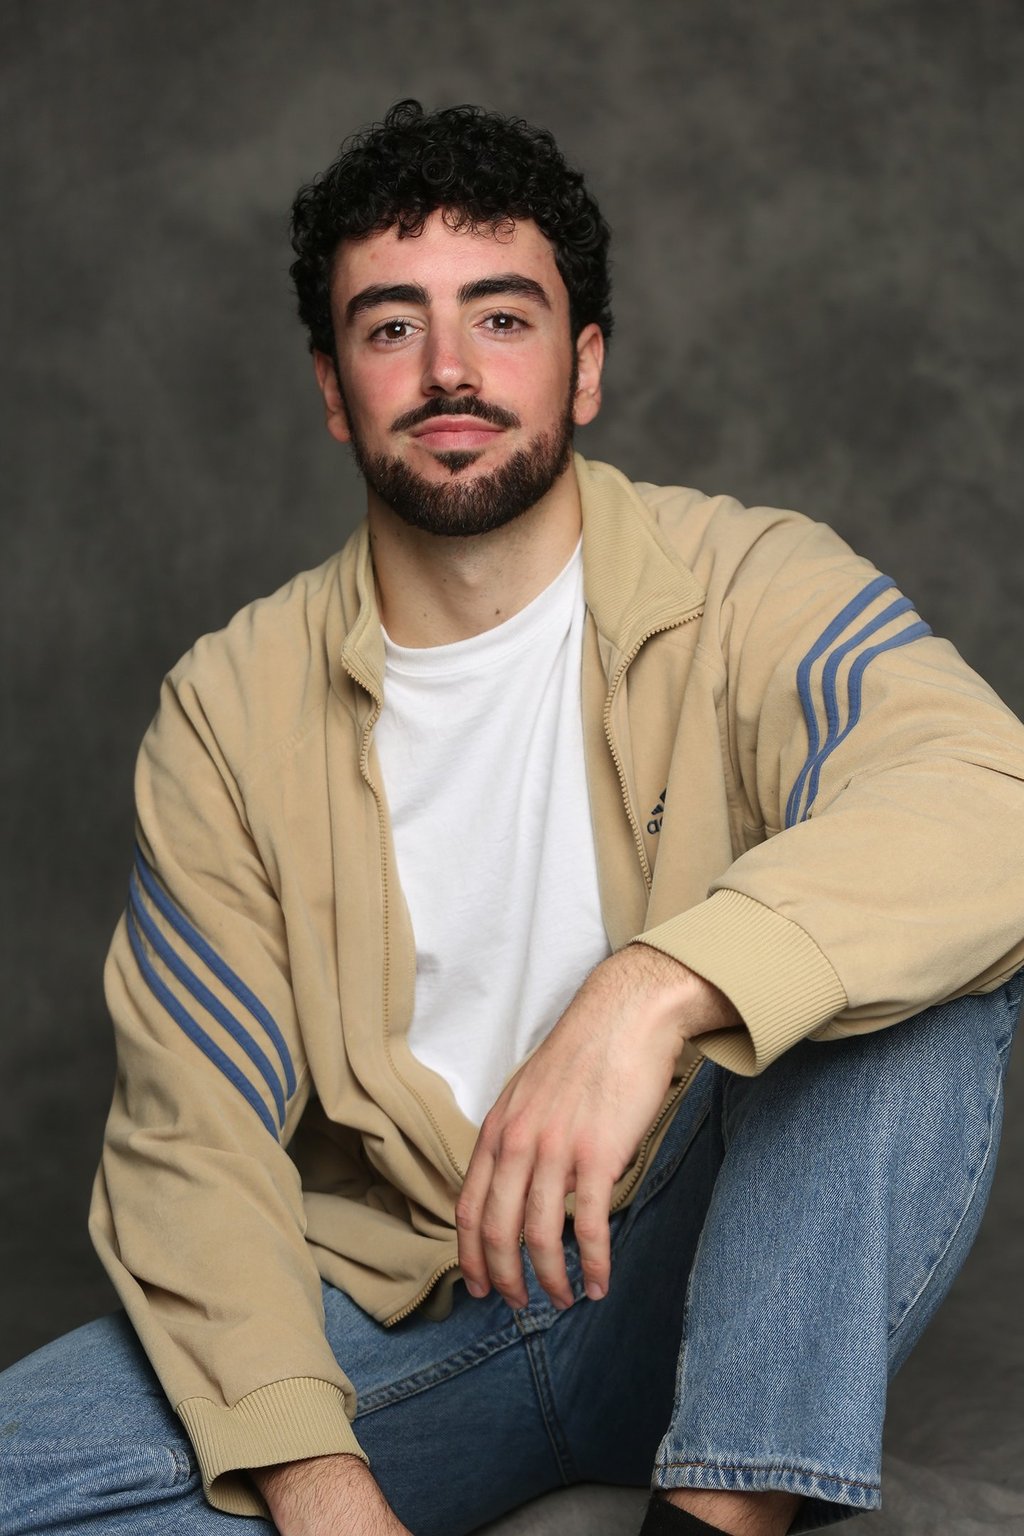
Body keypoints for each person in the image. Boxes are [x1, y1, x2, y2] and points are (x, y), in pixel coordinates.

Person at [2, 99, 1023, 1536]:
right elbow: (194, 1143)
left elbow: (989, 794)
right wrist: (318, 1486)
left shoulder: (752, 583)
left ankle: (719, 1511)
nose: (451, 370)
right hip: (404, 1323)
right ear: (333, 388)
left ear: (583, 365)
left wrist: (649, 992)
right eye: (392, 326)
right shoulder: (228, 709)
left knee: (923, 977)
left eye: (501, 316)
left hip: (702, 1284)